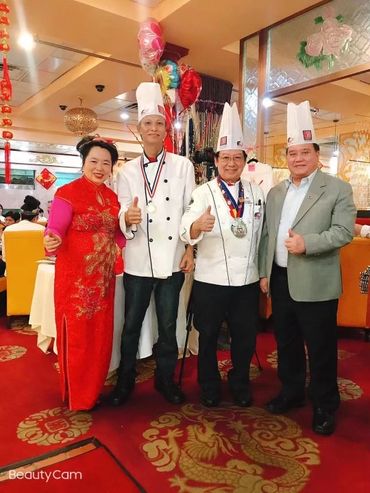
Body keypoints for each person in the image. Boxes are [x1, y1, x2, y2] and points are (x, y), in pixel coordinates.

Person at [259, 101, 356, 435]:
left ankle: (325, 404)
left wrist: (307, 244)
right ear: (285, 157)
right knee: (285, 342)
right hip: (282, 279)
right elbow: (268, 235)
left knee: (321, 347)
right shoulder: (275, 192)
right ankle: (291, 392)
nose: (297, 159)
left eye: (304, 152)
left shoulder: (337, 189)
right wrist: (263, 272)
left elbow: (343, 232)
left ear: (317, 154)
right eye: (291, 153)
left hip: (316, 280)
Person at [108, 82, 195, 406]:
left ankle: (165, 380)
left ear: (166, 128)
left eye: (159, 123)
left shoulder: (183, 166)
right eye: (148, 124)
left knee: (169, 325)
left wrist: (189, 248)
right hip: (138, 260)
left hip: (172, 260)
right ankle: (125, 381)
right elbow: (119, 209)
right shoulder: (126, 170)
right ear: (139, 130)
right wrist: (125, 218)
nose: (154, 129)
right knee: (131, 325)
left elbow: (190, 210)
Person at [180, 103, 264, 407]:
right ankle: (208, 384)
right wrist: (195, 227)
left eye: (236, 158)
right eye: (225, 157)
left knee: (245, 337)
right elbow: (184, 226)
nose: (231, 163)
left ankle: (240, 381)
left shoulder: (256, 193)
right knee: (208, 335)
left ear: (244, 160)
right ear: (216, 161)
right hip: (211, 279)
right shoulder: (203, 193)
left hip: (247, 280)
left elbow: (263, 233)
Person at [44, 136, 125, 411]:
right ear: (83, 164)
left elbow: (119, 235)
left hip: (103, 280)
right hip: (75, 281)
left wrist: (131, 229)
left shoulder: (112, 197)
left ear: (112, 167)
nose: (100, 167)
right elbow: (55, 228)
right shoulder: (68, 193)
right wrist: (51, 238)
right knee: (78, 338)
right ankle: (79, 396)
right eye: (94, 161)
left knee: (100, 337)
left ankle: (92, 391)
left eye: (106, 163)